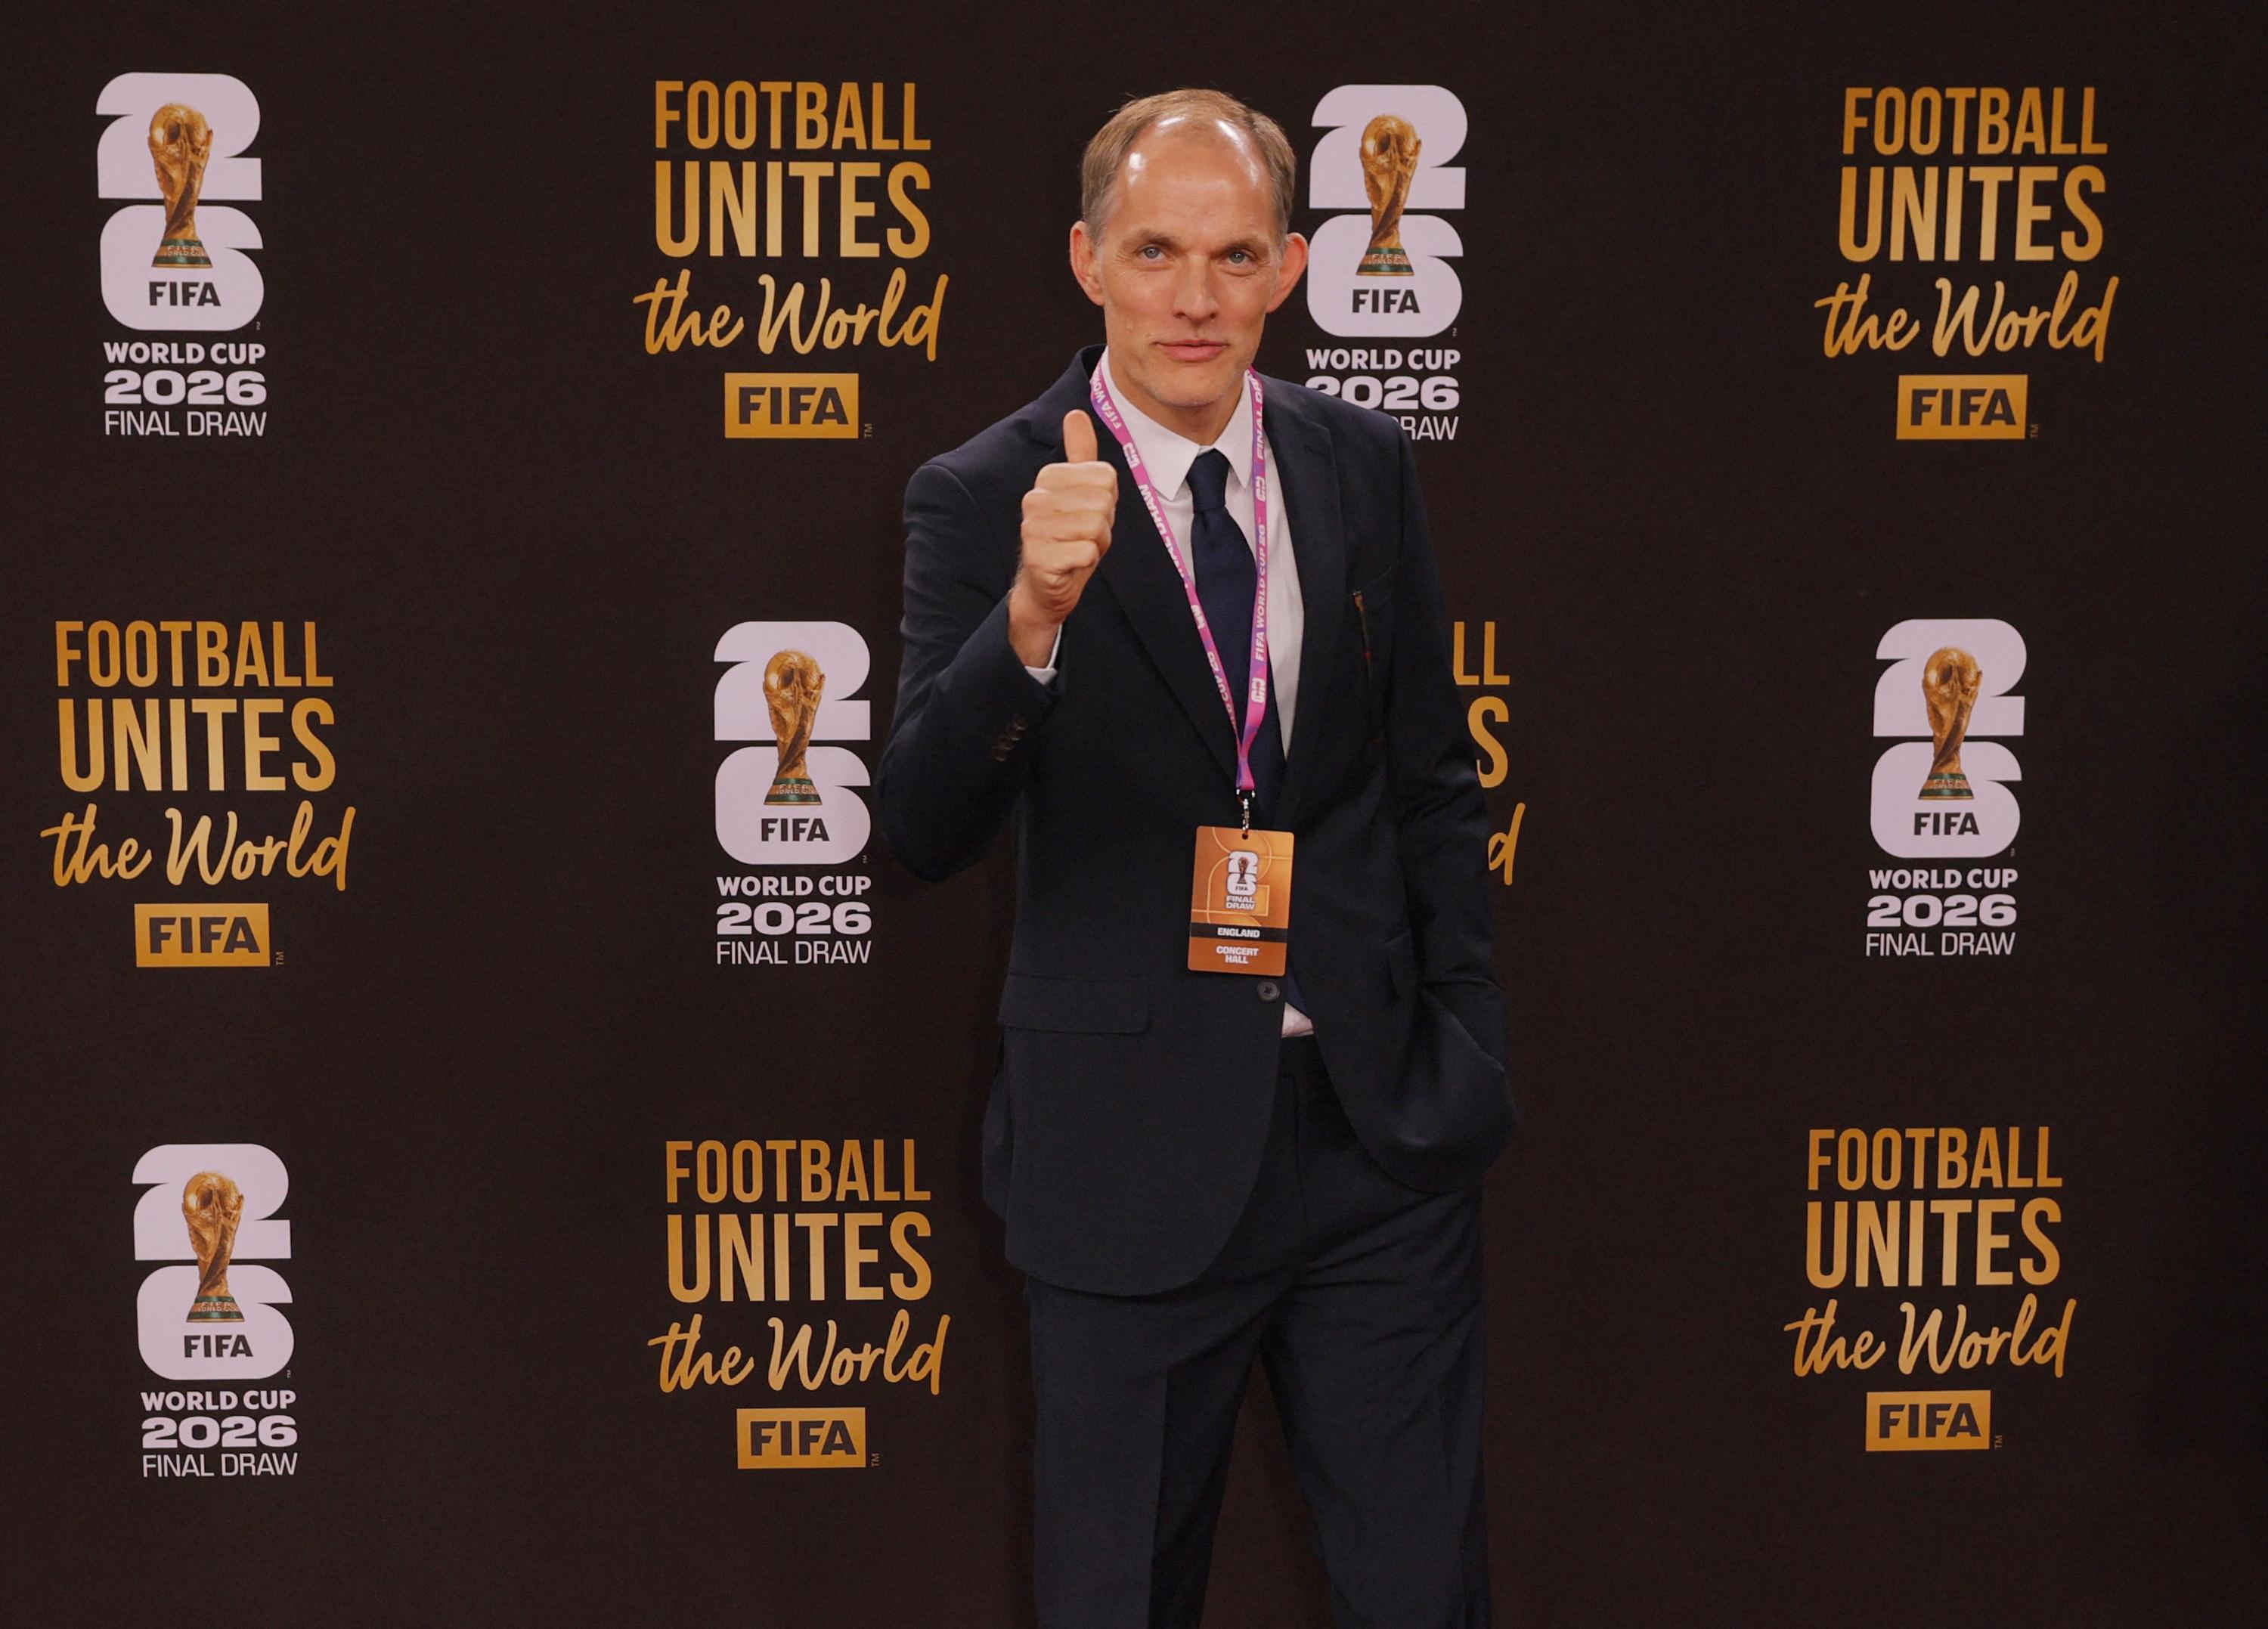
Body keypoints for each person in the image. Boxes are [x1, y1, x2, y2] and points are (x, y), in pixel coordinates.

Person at [878, 87, 1515, 1628]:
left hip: (1373, 1138)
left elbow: (1433, 780)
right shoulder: (984, 492)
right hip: (1127, 1158)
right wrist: (1028, 621)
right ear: (1087, 258)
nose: (1195, 298)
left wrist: (1459, 1046)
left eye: (1234, 257)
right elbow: (919, 828)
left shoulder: (1361, 464)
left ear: (1289, 268)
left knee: (1425, 1598)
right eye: (1156, 251)